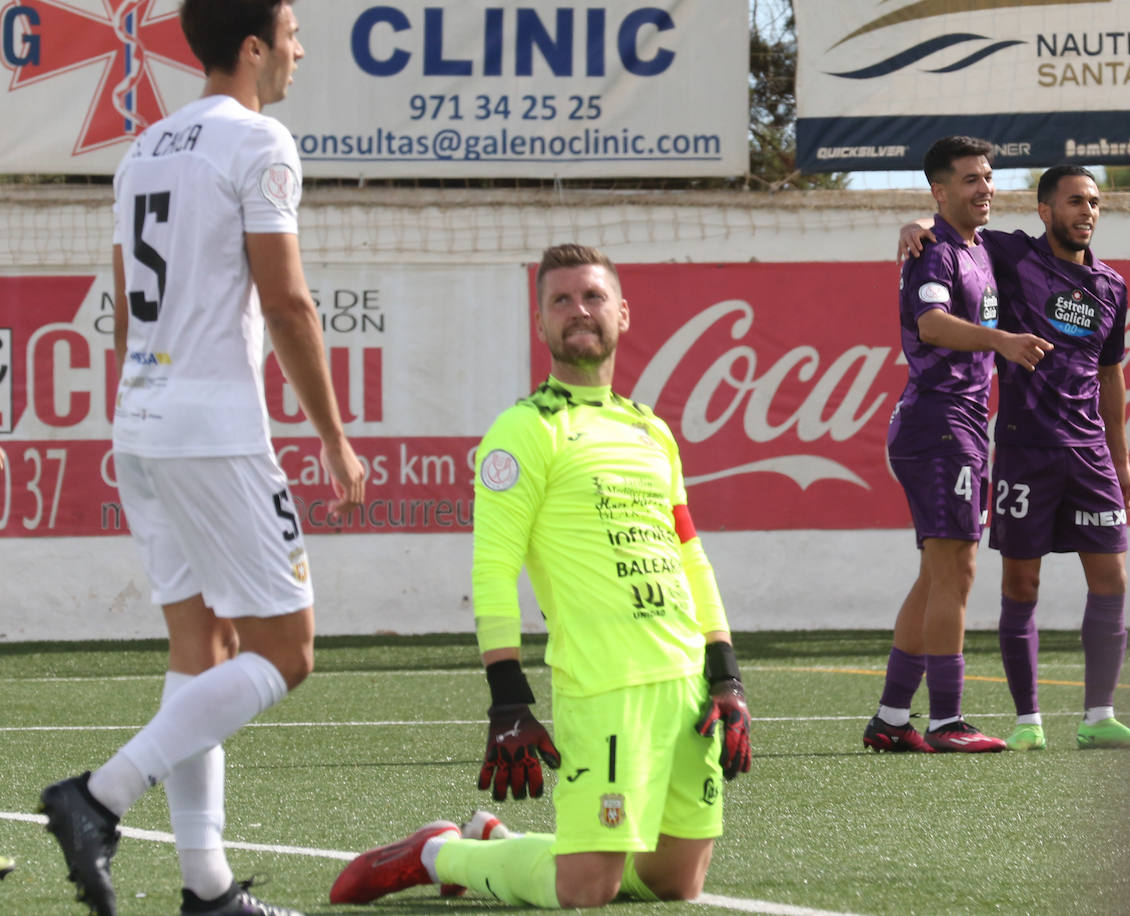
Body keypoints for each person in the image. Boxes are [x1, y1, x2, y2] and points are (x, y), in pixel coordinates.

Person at [38, 3, 366, 916]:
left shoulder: (144, 148)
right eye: (292, 33)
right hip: (213, 432)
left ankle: (208, 889)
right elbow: (291, 304)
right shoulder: (259, 140)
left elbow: (124, 309)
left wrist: (136, 409)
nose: (300, 49)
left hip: (140, 422)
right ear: (254, 45)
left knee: (203, 646)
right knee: (287, 652)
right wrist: (334, 437)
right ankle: (98, 796)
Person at [330, 243, 752, 909]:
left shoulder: (653, 432)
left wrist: (725, 674)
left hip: (686, 684)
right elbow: (494, 567)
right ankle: (439, 852)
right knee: (586, 890)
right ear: (541, 324)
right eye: (560, 300)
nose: (578, 311)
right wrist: (507, 697)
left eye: (592, 297)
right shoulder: (523, 430)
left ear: (623, 313)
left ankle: (498, 840)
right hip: (605, 686)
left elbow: (690, 555)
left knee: (676, 883)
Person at [899, 165, 1130, 751]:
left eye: (1093, 202)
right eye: (1074, 202)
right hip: (1024, 447)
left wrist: (1121, 460)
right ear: (1045, 211)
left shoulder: (1113, 287)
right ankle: (1028, 722)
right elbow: (950, 226)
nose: (1086, 212)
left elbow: (1111, 375)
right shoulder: (1013, 257)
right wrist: (912, 223)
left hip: (1090, 452)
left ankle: (1098, 717)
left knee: (1112, 577)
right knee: (1020, 583)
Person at [864, 137, 1052, 755]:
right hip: (937, 425)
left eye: (989, 176)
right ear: (941, 190)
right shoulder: (936, 251)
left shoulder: (979, 247)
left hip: (959, 425)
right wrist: (1001, 341)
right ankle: (947, 722)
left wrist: (919, 220)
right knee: (959, 571)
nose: (985, 187)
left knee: (936, 575)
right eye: (970, 179)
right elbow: (930, 323)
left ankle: (893, 718)